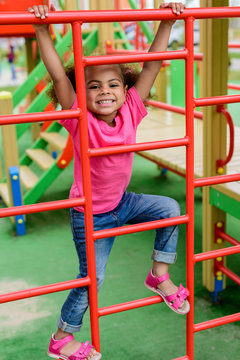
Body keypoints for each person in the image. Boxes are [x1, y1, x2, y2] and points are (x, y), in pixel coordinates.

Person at [28, 2, 188, 360]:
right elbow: (57, 77)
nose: (104, 91)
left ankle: (159, 275)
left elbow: (153, 64)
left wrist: (165, 21)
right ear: (80, 93)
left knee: (170, 207)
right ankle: (61, 339)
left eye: (114, 84)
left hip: (121, 203)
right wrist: (42, 30)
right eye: (94, 85)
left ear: (126, 89)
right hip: (89, 214)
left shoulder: (131, 109)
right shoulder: (79, 117)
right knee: (92, 282)